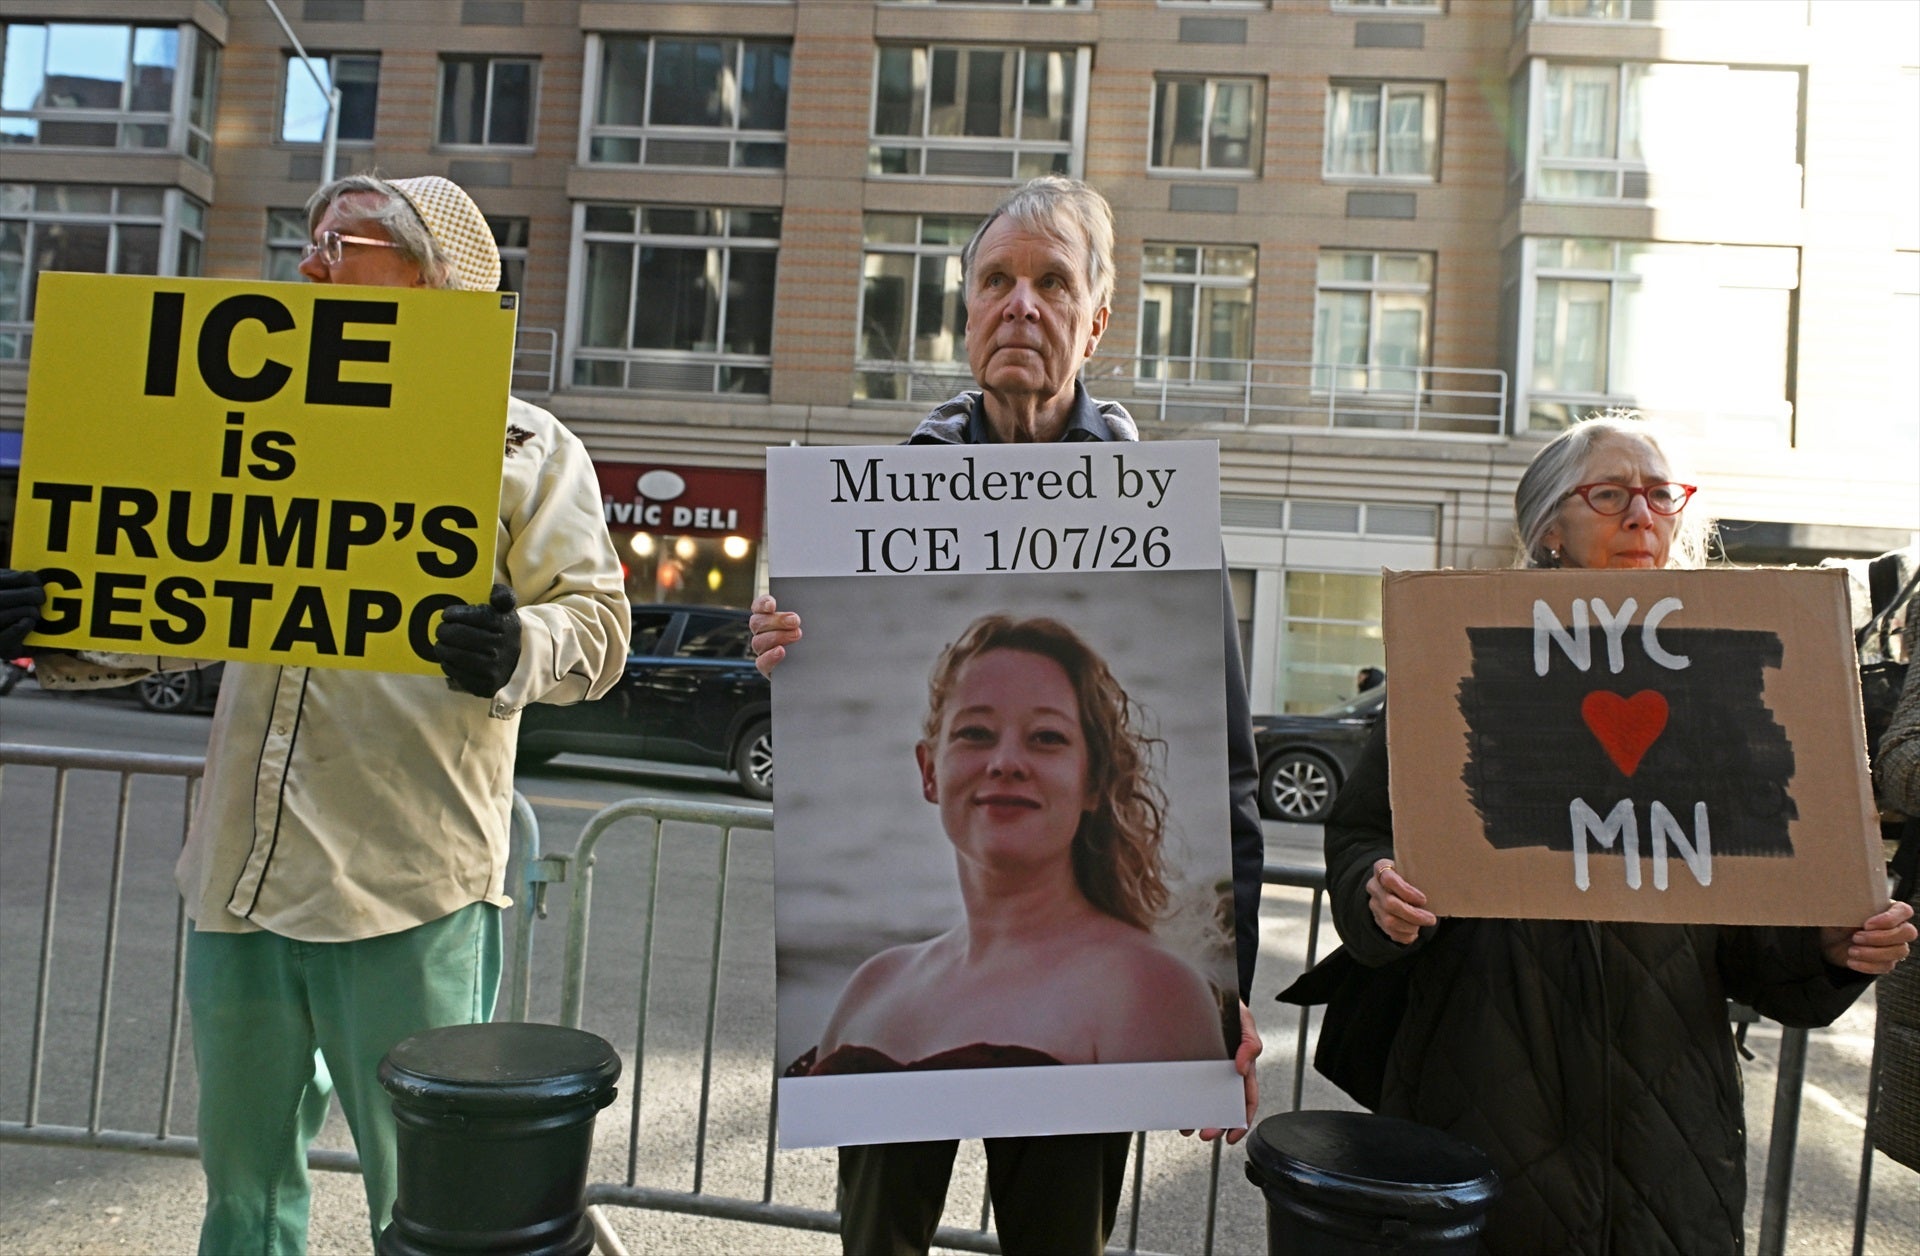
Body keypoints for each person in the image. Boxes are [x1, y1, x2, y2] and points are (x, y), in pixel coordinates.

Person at [0, 174, 630, 1253]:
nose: (310, 264)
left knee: (425, 1204)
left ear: (434, 275)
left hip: (409, 883)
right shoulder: (251, 424)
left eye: (343, 243)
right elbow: (187, 608)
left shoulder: (526, 447)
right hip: (241, 879)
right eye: (308, 241)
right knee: (241, 1196)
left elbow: (600, 625)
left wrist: (519, 643)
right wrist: (60, 623)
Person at [750, 176, 1265, 1256]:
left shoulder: (1157, 512)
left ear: (1096, 319)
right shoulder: (875, 499)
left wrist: (1229, 1000)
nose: (1020, 304)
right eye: (997, 281)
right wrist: (780, 649)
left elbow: (1231, 769)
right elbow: (795, 680)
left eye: (1050, 282)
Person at [1324, 412, 1916, 1256]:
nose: (1642, 514)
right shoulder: (1456, 662)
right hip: (1481, 1101)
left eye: (1660, 494)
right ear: (1549, 531)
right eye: (1609, 494)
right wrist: (1376, 892)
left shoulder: (1724, 696)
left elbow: (1754, 942)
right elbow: (1357, 841)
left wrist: (1825, 943)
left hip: (1671, 1138)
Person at [788, 614, 1229, 1079]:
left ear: (1094, 781)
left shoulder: (1152, 990)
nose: (1006, 762)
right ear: (929, 772)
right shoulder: (872, 986)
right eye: (975, 733)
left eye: (1046, 738)